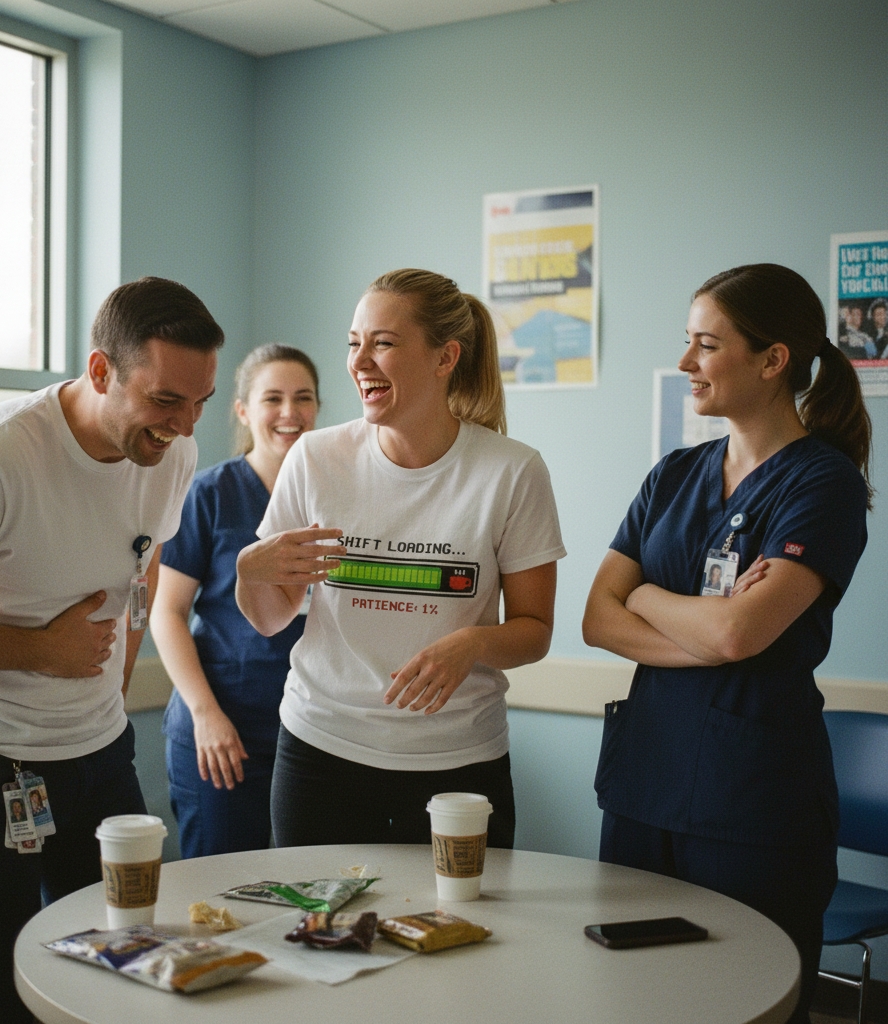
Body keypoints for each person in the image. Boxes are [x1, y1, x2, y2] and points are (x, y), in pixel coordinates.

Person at [0, 276, 224, 1024]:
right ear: (101, 372)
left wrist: (111, 687)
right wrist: (37, 652)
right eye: (165, 401)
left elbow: (142, 562)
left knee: (123, 965)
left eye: (200, 403)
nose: (186, 426)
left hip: (96, 754)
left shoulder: (171, 453)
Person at [583, 263, 872, 1024]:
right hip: (645, 788)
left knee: (752, 1004)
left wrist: (645, 594)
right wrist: (701, 631)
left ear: (773, 359)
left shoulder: (824, 484)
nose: (685, 364)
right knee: (634, 998)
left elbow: (741, 629)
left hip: (754, 805)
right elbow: (597, 618)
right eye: (687, 343)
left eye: (705, 346)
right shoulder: (673, 476)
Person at [236, 268, 565, 849]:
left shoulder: (512, 471)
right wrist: (248, 572)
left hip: (460, 761)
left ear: (445, 358)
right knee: (319, 932)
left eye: (383, 343)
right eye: (354, 343)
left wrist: (474, 643)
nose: (359, 361)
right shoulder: (316, 457)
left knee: (462, 932)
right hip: (321, 750)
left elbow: (535, 631)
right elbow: (269, 617)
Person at [151, 345, 320, 857]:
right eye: (273, 398)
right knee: (222, 891)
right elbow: (166, 612)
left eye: (303, 398)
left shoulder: (333, 494)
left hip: (310, 731)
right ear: (244, 410)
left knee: (313, 888)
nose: (290, 412)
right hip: (223, 729)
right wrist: (206, 715)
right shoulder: (211, 494)